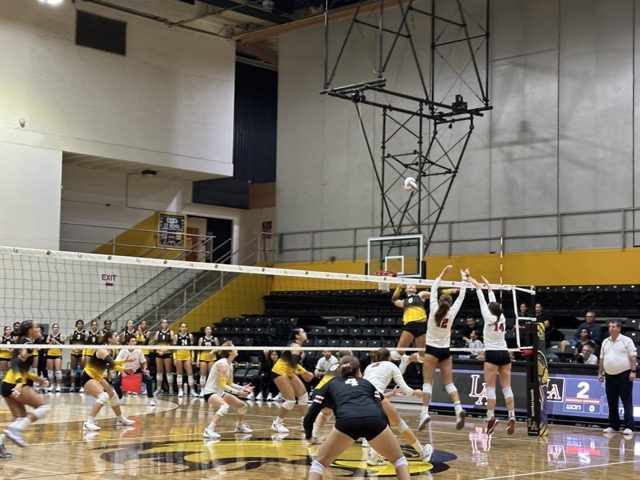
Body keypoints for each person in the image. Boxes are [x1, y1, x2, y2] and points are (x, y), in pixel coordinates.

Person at [303, 355, 411, 480]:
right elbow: (380, 410)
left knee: (319, 465)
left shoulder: (330, 384)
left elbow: (310, 415)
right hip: (374, 420)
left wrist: (309, 435)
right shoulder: (367, 383)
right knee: (399, 460)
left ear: (339, 371)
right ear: (359, 371)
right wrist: (387, 433)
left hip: (347, 422)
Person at [418, 265, 468, 431]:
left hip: (432, 350)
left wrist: (443, 272)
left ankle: (424, 413)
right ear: (449, 304)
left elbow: (433, 288)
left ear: (439, 302)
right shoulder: (451, 313)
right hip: (445, 351)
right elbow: (462, 295)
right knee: (448, 383)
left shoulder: (433, 309)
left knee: (427, 382)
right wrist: (464, 278)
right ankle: (458, 408)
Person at [363, 348, 432, 465]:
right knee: (400, 425)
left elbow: (371, 389)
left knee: (382, 427)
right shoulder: (391, 365)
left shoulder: (369, 367)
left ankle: (373, 456)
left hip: (362, 399)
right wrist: (416, 393)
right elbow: (405, 389)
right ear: (389, 357)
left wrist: (390, 394)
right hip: (375, 398)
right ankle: (423, 452)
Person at [468, 275, 516, 435]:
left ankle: (491, 417)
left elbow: (483, 300)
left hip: (492, 354)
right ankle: (512, 415)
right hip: (504, 353)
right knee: (507, 387)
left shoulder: (488, 317)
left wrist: (477, 285)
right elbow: (493, 302)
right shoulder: (501, 316)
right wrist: (489, 286)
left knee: (490, 388)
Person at [0, 320, 51, 458]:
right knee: (44, 408)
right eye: (36, 327)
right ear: (30, 330)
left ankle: (0, 443)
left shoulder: (25, 343)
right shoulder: (27, 345)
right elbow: (15, 365)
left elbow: (21, 369)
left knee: (20, 419)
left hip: (5, 384)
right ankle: (16, 430)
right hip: (14, 384)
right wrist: (18, 384)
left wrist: (36, 379)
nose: (39, 328)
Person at [82, 330, 136, 431]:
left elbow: (110, 364)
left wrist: (125, 364)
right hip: (88, 376)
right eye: (116, 335)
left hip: (97, 376)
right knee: (104, 396)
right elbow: (112, 364)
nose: (118, 337)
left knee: (112, 395)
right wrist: (124, 367)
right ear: (110, 339)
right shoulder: (102, 350)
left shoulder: (108, 350)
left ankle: (120, 419)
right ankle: (88, 422)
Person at [201, 341, 253, 439]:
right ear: (229, 351)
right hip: (210, 393)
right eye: (234, 347)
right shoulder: (223, 364)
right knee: (224, 406)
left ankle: (239, 427)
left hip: (220, 392)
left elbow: (230, 383)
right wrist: (238, 392)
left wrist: (243, 388)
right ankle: (209, 430)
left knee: (243, 406)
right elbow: (223, 385)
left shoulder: (230, 364)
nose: (236, 348)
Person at [271, 328, 314, 434]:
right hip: (279, 372)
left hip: (289, 372)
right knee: (290, 400)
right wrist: (305, 372)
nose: (305, 333)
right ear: (297, 336)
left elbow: (292, 364)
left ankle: (305, 423)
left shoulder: (297, 346)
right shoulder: (295, 346)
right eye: (303, 332)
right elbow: (294, 363)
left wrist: (303, 373)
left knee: (303, 395)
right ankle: (277, 423)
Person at [597, 320, 637, 436]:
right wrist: (600, 372)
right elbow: (602, 358)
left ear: (619, 329)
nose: (610, 328)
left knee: (626, 401)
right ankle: (613, 425)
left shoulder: (626, 340)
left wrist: (633, 371)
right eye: (609, 326)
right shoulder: (605, 342)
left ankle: (629, 426)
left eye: (613, 326)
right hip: (609, 375)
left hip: (624, 374)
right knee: (611, 401)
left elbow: (633, 357)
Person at [113, 335, 156, 406]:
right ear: (128, 342)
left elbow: (143, 362)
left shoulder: (139, 351)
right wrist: (122, 371)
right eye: (132, 341)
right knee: (115, 383)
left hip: (137, 372)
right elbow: (117, 362)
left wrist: (145, 369)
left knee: (149, 380)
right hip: (126, 372)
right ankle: (121, 397)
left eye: (135, 341)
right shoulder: (123, 351)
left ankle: (150, 399)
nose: (134, 343)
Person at [173, 322, 197, 397]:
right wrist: (175, 358)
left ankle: (192, 390)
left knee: (190, 373)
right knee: (179, 373)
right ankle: (180, 390)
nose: (184, 328)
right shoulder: (176, 336)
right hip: (179, 356)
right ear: (179, 328)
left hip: (187, 357)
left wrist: (192, 357)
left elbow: (192, 348)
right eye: (182, 327)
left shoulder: (190, 336)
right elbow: (174, 349)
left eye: (185, 327)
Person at [154, 318, 175, 395]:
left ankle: (171, 389)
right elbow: (155, 343)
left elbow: (173, 343)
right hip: (159, 353)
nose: (165, 324)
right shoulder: (158, 332)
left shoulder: (171, 332)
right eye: (163, 322)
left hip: (167, 353)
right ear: (161, 324)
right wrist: (160, 350)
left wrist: (165, 350)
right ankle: (158, 389)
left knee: (168, 371)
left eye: (166, 322)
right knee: (159, 371)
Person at [197, 326, 219, 398]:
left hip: (212, 358)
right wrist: (198, 360)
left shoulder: (215, 339)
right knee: (203, 375)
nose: (208, 330)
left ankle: (210, 390)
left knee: (211, 375)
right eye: (207, 329)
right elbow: (198, 350)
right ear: (205, 331)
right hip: (203, 358)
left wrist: (213, 351)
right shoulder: (201, 339)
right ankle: (202, 390)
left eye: (210, 329)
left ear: (211, 331)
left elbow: (218, 348)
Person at [45, 323, 64, 393]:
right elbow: (47, 347)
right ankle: (52, 385)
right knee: (50, 371)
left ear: (58, 329)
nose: (55, 328)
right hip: (50, 354)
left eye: (57, 327)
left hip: (58, 354)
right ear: (52, 328)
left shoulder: (61, 336)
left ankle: (58, 386)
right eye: (54, 327)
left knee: (58, 370)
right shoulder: (49, 336)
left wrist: (55, 341)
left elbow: (62, 346)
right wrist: (51, 342)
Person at [68, 319, 86, 393]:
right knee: (73, 369)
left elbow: (86, 343)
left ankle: (82, 386)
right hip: (74, 352)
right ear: (76, 325)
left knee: (82, 369)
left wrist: (81, 350)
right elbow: (70, 343)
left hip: (81, 352)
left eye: (81, 324)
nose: (80, 325)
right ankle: (72, 386)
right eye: (78, 324)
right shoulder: (73, 333)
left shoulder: (85, 333)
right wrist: (74, 349)